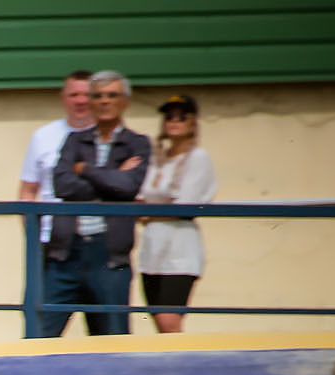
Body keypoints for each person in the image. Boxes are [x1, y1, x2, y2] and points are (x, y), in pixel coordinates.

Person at [43, 70, 149, 338]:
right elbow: (63, 185)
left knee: (113, 339)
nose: (104, 102)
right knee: (40, 334)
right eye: (98, 96)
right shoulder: (75, 140)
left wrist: (86, 169)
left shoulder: (136, 143)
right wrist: (111, 176)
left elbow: (128, 187)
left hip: (109, 255)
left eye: (112, 95)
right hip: (66, 252)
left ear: (125, 101)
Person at [136, 93, 215, 333]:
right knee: (157, 319)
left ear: (192, 122)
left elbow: (185, 206)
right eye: (169, 116)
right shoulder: (157, 160)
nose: (174, 121)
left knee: (169, 318)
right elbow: (139, 200)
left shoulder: (198, 158)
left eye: (181, 116)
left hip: (180, 249)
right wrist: (155, 210)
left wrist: (151, 212)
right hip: (153, 249)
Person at [16, 69, 93, 249]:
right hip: (52, 237)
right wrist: (33, 237)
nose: (80, 101)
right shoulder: (43, 136)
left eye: (87, 95)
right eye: (74, 95)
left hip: (97, 235)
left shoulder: (108, 137)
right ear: (63, 98)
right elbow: (27, 191)